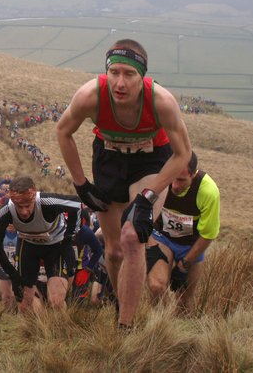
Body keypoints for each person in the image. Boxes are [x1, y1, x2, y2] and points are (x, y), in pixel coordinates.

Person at [56, 38, 192, 328]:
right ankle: (122, 304)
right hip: (108, 160)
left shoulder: (161, 102)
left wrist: (148, 197)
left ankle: (125, 326)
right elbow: (63, 131)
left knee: (133, 236)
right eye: (114, 72)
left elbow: (183, 154)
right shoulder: (90, 95)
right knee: (114, 250)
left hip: (151, 160)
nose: (120, 82)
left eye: (129, 74)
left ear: (142, 76)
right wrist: (81, 185)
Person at [0, 176, 83, 314]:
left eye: (27, 206)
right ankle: (32, 327)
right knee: (24, 305)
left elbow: (76, 203)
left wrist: (69, 236)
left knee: (56, 302)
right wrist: (13, 275)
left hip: (56, 246)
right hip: (28, 247)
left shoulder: (47, 202)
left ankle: (60, 327)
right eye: (19, 207)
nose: (24, 212)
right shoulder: (5, 211)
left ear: (33, 197)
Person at [146, 151, 220, 310]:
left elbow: (208, 234)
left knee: (185, 303)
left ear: (193, 174)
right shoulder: (158, 179)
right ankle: (162, 321)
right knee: (157, 287)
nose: (174, 185)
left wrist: (185, 264)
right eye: (173, 178)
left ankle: (178, 320)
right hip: (162, 237)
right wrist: (151, 246)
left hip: (191, 245)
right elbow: (143, 214)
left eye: (181, 180)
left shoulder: (208, 191)